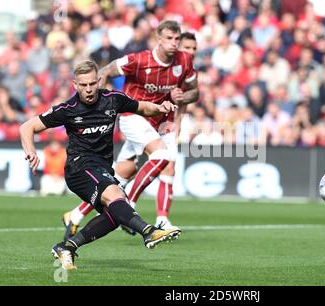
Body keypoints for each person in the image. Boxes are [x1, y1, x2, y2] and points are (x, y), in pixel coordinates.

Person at [19, 60, 180, 270]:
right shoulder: (68, 109)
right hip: (79, 167)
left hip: (102, 168)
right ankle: (149, 231)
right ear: (75, 85)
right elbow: (27, 127)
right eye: (83, 85)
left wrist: (160, 107)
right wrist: (30, 150)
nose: (88, 89)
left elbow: (143, 108)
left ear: (99, 81)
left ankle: (67, 246)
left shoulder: (113, 100)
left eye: (92, 84)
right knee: (116, 196)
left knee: (114, 215)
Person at [62, 22, 199, 240]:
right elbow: (106, 71)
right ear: (159, 39)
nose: (174, 43)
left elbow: (195, 93)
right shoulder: (139, 60)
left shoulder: (184, 61)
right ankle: (133, 205)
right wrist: (100, 105)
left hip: (160, 121)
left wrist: (184, 96)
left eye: (177, 39)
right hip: (133, 116)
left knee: (123, 172)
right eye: (169, 39)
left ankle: (76, 214)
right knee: (163, 156)